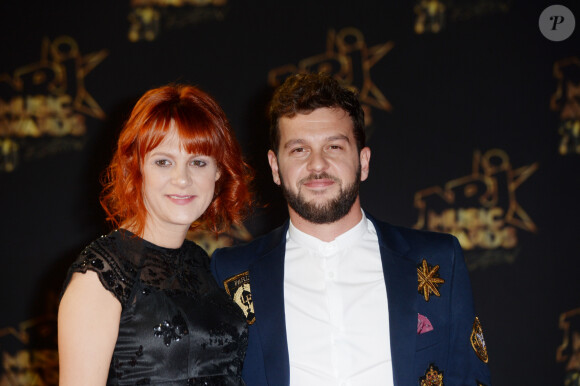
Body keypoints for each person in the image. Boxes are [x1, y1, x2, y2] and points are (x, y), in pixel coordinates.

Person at [210, 73, 492, 385]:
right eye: (299, 149)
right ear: (276, 167)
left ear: (364, 161)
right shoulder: (231, 274)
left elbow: (470, 378)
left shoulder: (438, 259)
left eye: (334, 146)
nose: (317, 165)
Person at [58, 84, 253, 385]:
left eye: (198, 162)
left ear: (218, 171)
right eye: (163, 162)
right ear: (136, 169)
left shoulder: (200, 263)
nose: (182, 179)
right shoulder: (101, 274)